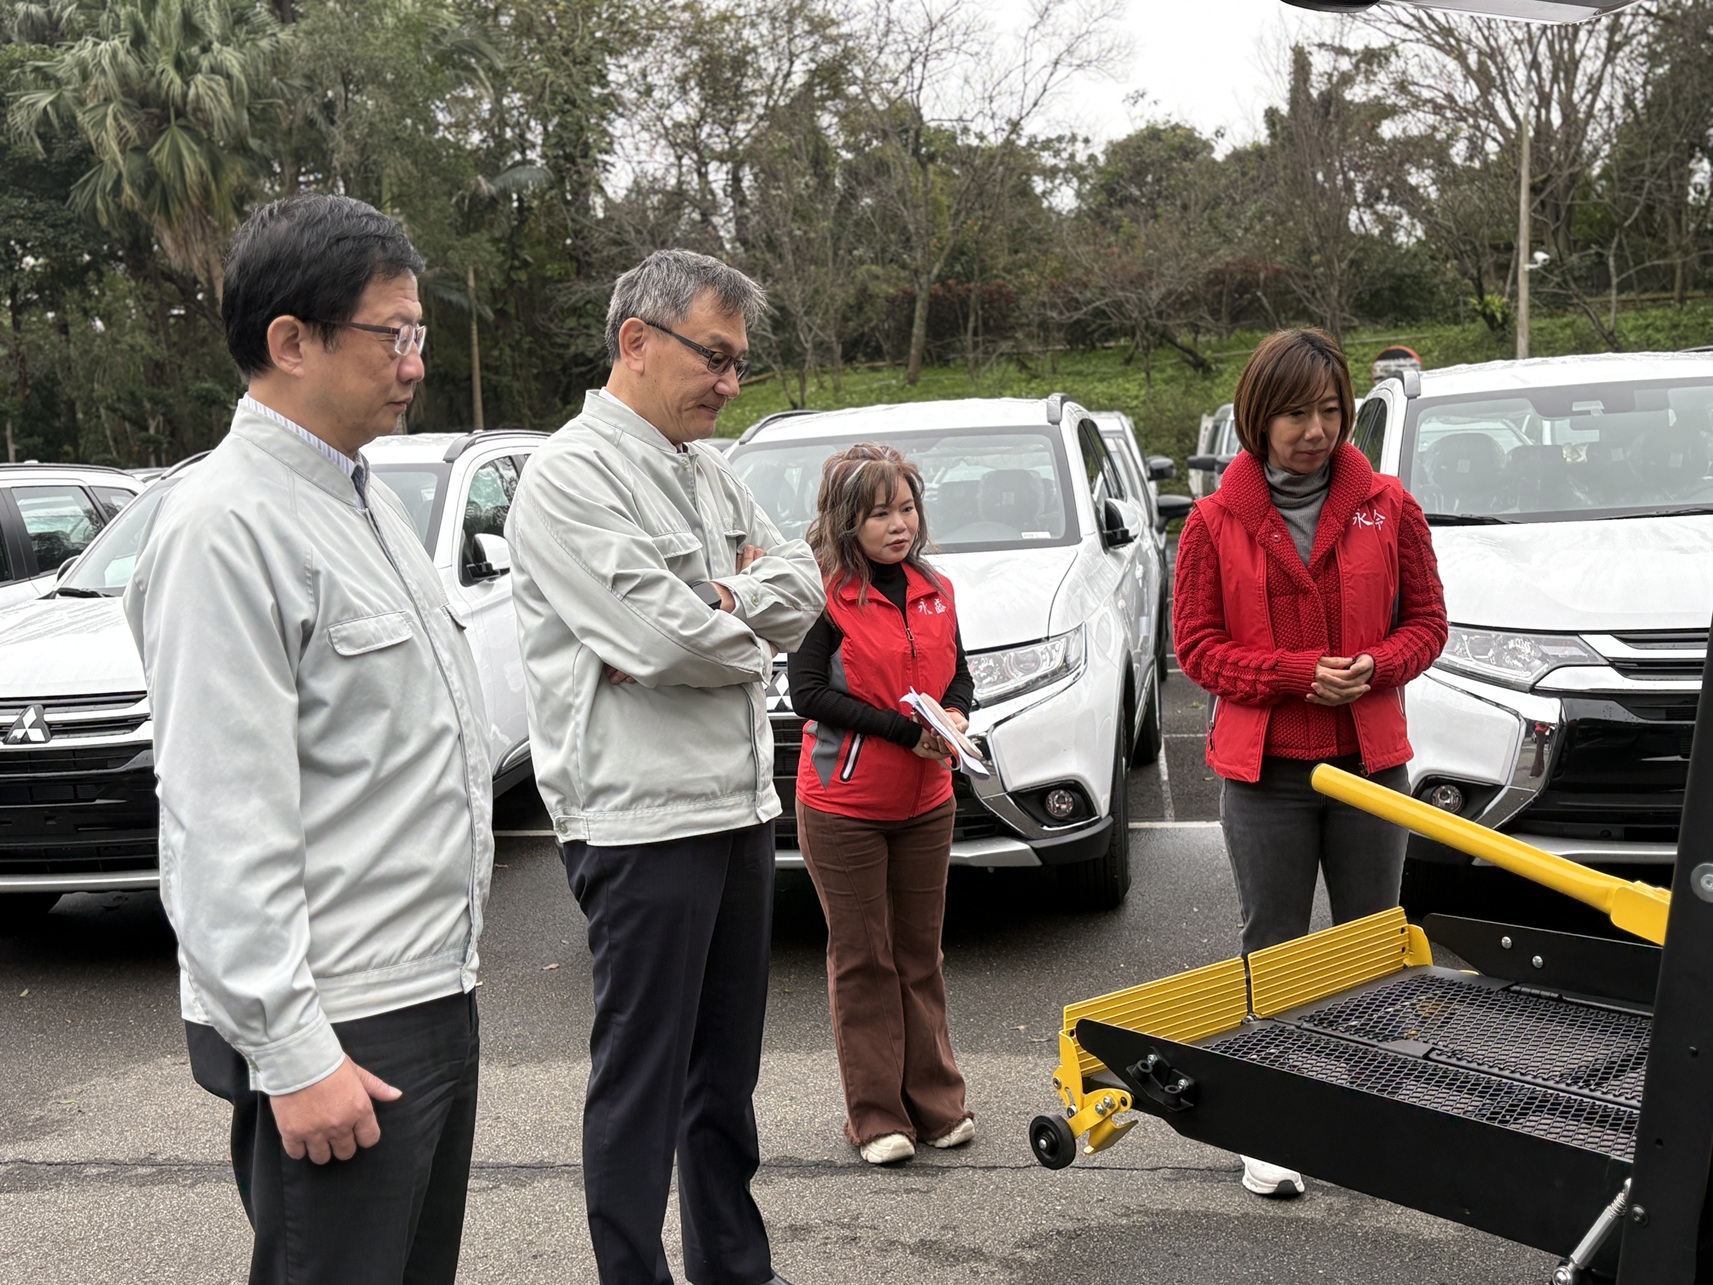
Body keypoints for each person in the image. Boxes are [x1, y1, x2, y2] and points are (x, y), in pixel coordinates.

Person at [124, 194, 493, 1284]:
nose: (414, 361)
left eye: (416, 333)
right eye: (395, 333)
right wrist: (291, 1051)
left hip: (425, 987)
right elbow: (218, 815)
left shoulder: (359, 500)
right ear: (292, 341)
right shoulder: (225, 526)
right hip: (340, 1021)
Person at [505, 249, 823, 1285]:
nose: (731, 384)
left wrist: (726, 604)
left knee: (723, 1081)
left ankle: (737, 1268)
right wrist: (734, 616)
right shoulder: (569, 478)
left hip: (733, 804)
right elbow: (662, 642)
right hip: (638, 822)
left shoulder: (707, 468)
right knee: (644, 1081)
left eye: (740, 364)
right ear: (636, 341)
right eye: (716, 357)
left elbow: (801, 583)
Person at [1172, 327, 1447, 1199]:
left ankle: (1377, 1110)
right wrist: (1294, 675)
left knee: (1372, 939)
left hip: (1369, 764)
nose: (1315, 430)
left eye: (1329, 411)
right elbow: (1196, 650)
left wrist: (1379, 664)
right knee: (1274, 942)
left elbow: (1428, 624)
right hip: (1265, 775)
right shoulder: (1212, 521)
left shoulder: (1388, 505)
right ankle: (1269, 1121)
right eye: (1295, 413)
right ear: (1259, 416)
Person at [786, 444, 977, 1167]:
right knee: (862, 957)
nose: (898, 524)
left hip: (927, 800)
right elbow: (807, 693)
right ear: (846, 522)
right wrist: (907, 730)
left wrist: (953, 718)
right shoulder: (824, 596)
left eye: (905, 508)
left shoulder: (936, 587)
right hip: (843, 805)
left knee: (919, 954)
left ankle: (937, 1103)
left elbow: (960, 677)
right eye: (878, 513)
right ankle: (874, 1117)